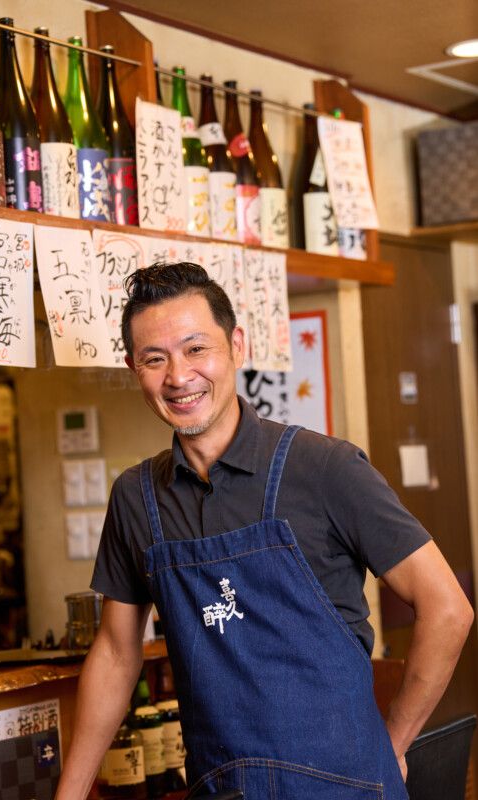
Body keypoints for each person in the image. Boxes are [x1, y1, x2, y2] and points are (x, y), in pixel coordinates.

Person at [55, 262, 473, 800]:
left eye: (196, 349)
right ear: (133, 367)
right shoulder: (137, 498)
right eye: (154, 359)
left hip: (347, 787)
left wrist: (393, 743)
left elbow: (448, 608)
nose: (178, 376)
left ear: (236, 345)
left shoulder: (325, 468)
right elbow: (115, 654)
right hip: (221, 787)